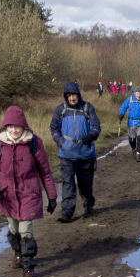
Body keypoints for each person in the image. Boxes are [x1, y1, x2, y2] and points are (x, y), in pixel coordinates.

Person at [0, 106, 57, 277]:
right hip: (6, 195)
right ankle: (18, 254)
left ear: (24, 126)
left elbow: (45, 172)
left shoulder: (34, 142)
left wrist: (52, 196)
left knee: (25, 230)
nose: (14, 130)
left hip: (28, 194)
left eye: (17, 126)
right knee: (13, 229)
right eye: (10, 126)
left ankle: (28, 267)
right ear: (5, 127)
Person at [50, 81, 101, 222]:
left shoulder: (87, 108)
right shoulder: (61, 109)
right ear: (65, 97)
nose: (71, 98)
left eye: (73, 95)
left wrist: (92, 135)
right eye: (69, 96)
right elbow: (53, 128)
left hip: (86, 154)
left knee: (85, 184)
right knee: (68, 183)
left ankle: (88, 204)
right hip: (66, 154)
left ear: (78, 94)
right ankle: (66, 212)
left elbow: (96, 125)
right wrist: (61, 143)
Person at [119, 85, 140, 161]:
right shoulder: (130, 99)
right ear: (134, 93)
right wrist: (121, 113)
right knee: (132, 140)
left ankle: (139, 153)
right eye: (137, 93)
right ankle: (133, 149)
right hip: (131, 123)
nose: (139, 95)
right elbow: (123, 107)